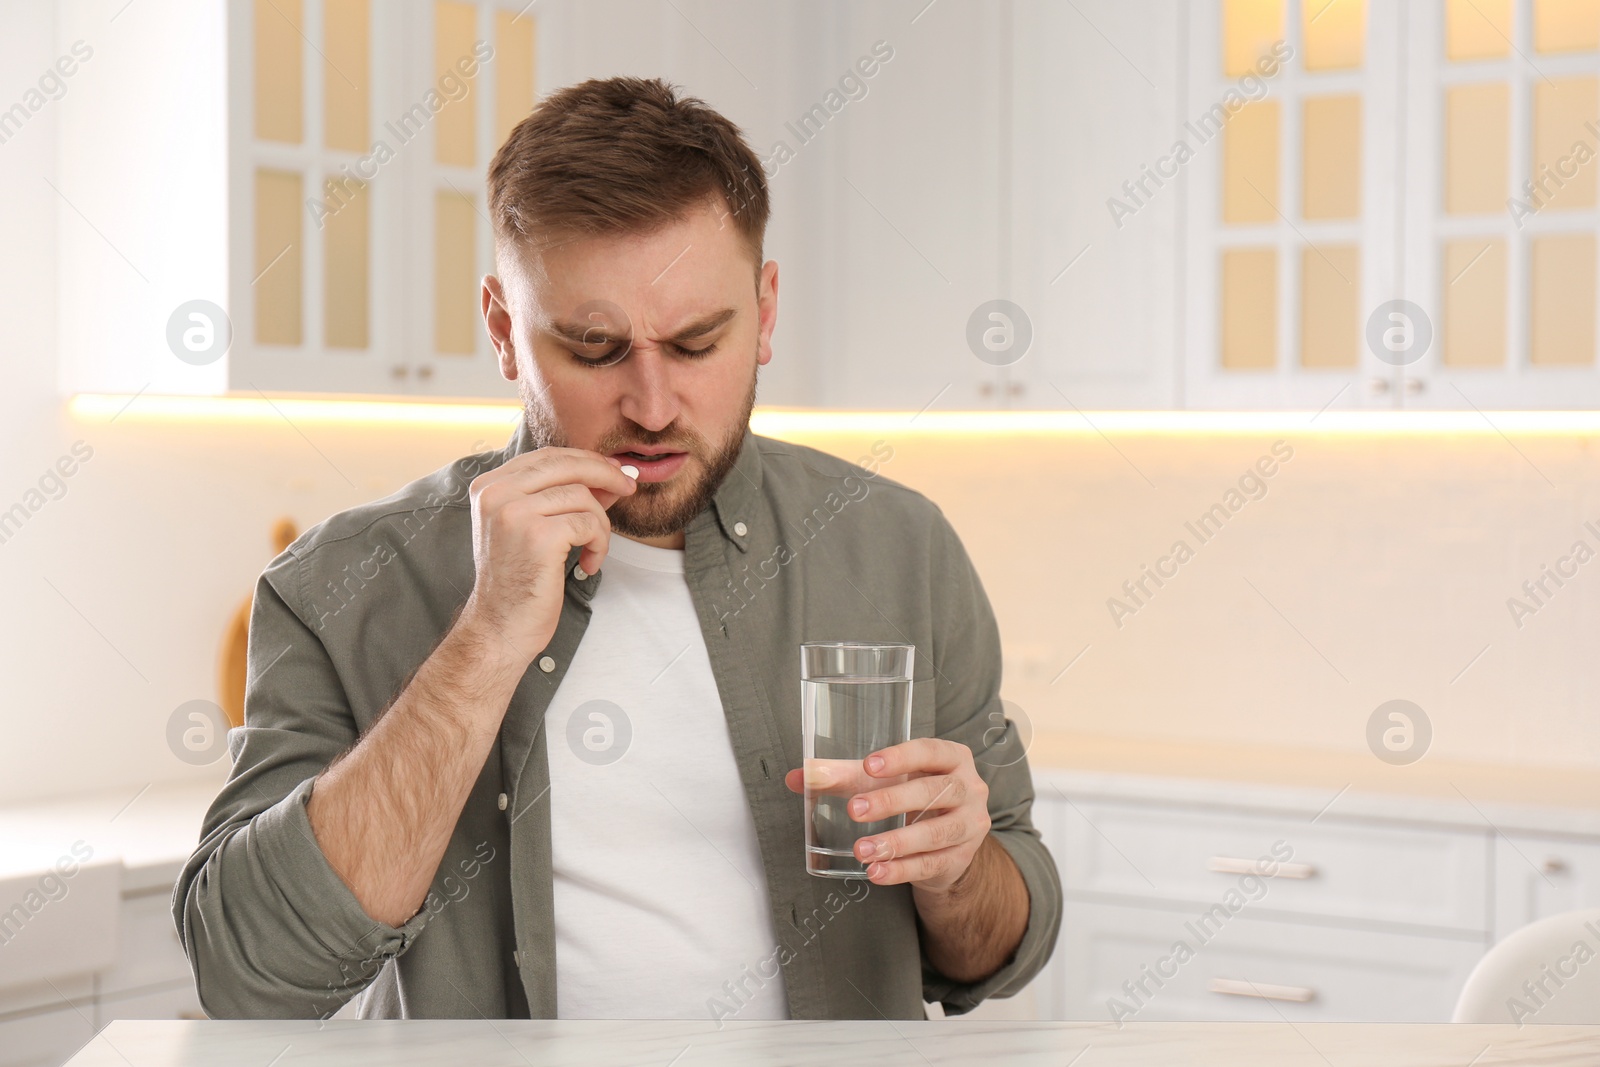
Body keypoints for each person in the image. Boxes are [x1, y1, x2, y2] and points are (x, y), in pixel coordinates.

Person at [174, 75, 1061, 1022]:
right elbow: (249, 975)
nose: (650, 404)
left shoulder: (898, 548)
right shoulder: (340, 587)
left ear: (763, 314)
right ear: (504, 330)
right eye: (595, 349)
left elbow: (998, 952)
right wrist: (484, 641)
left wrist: (959, 870)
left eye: (695, 342)